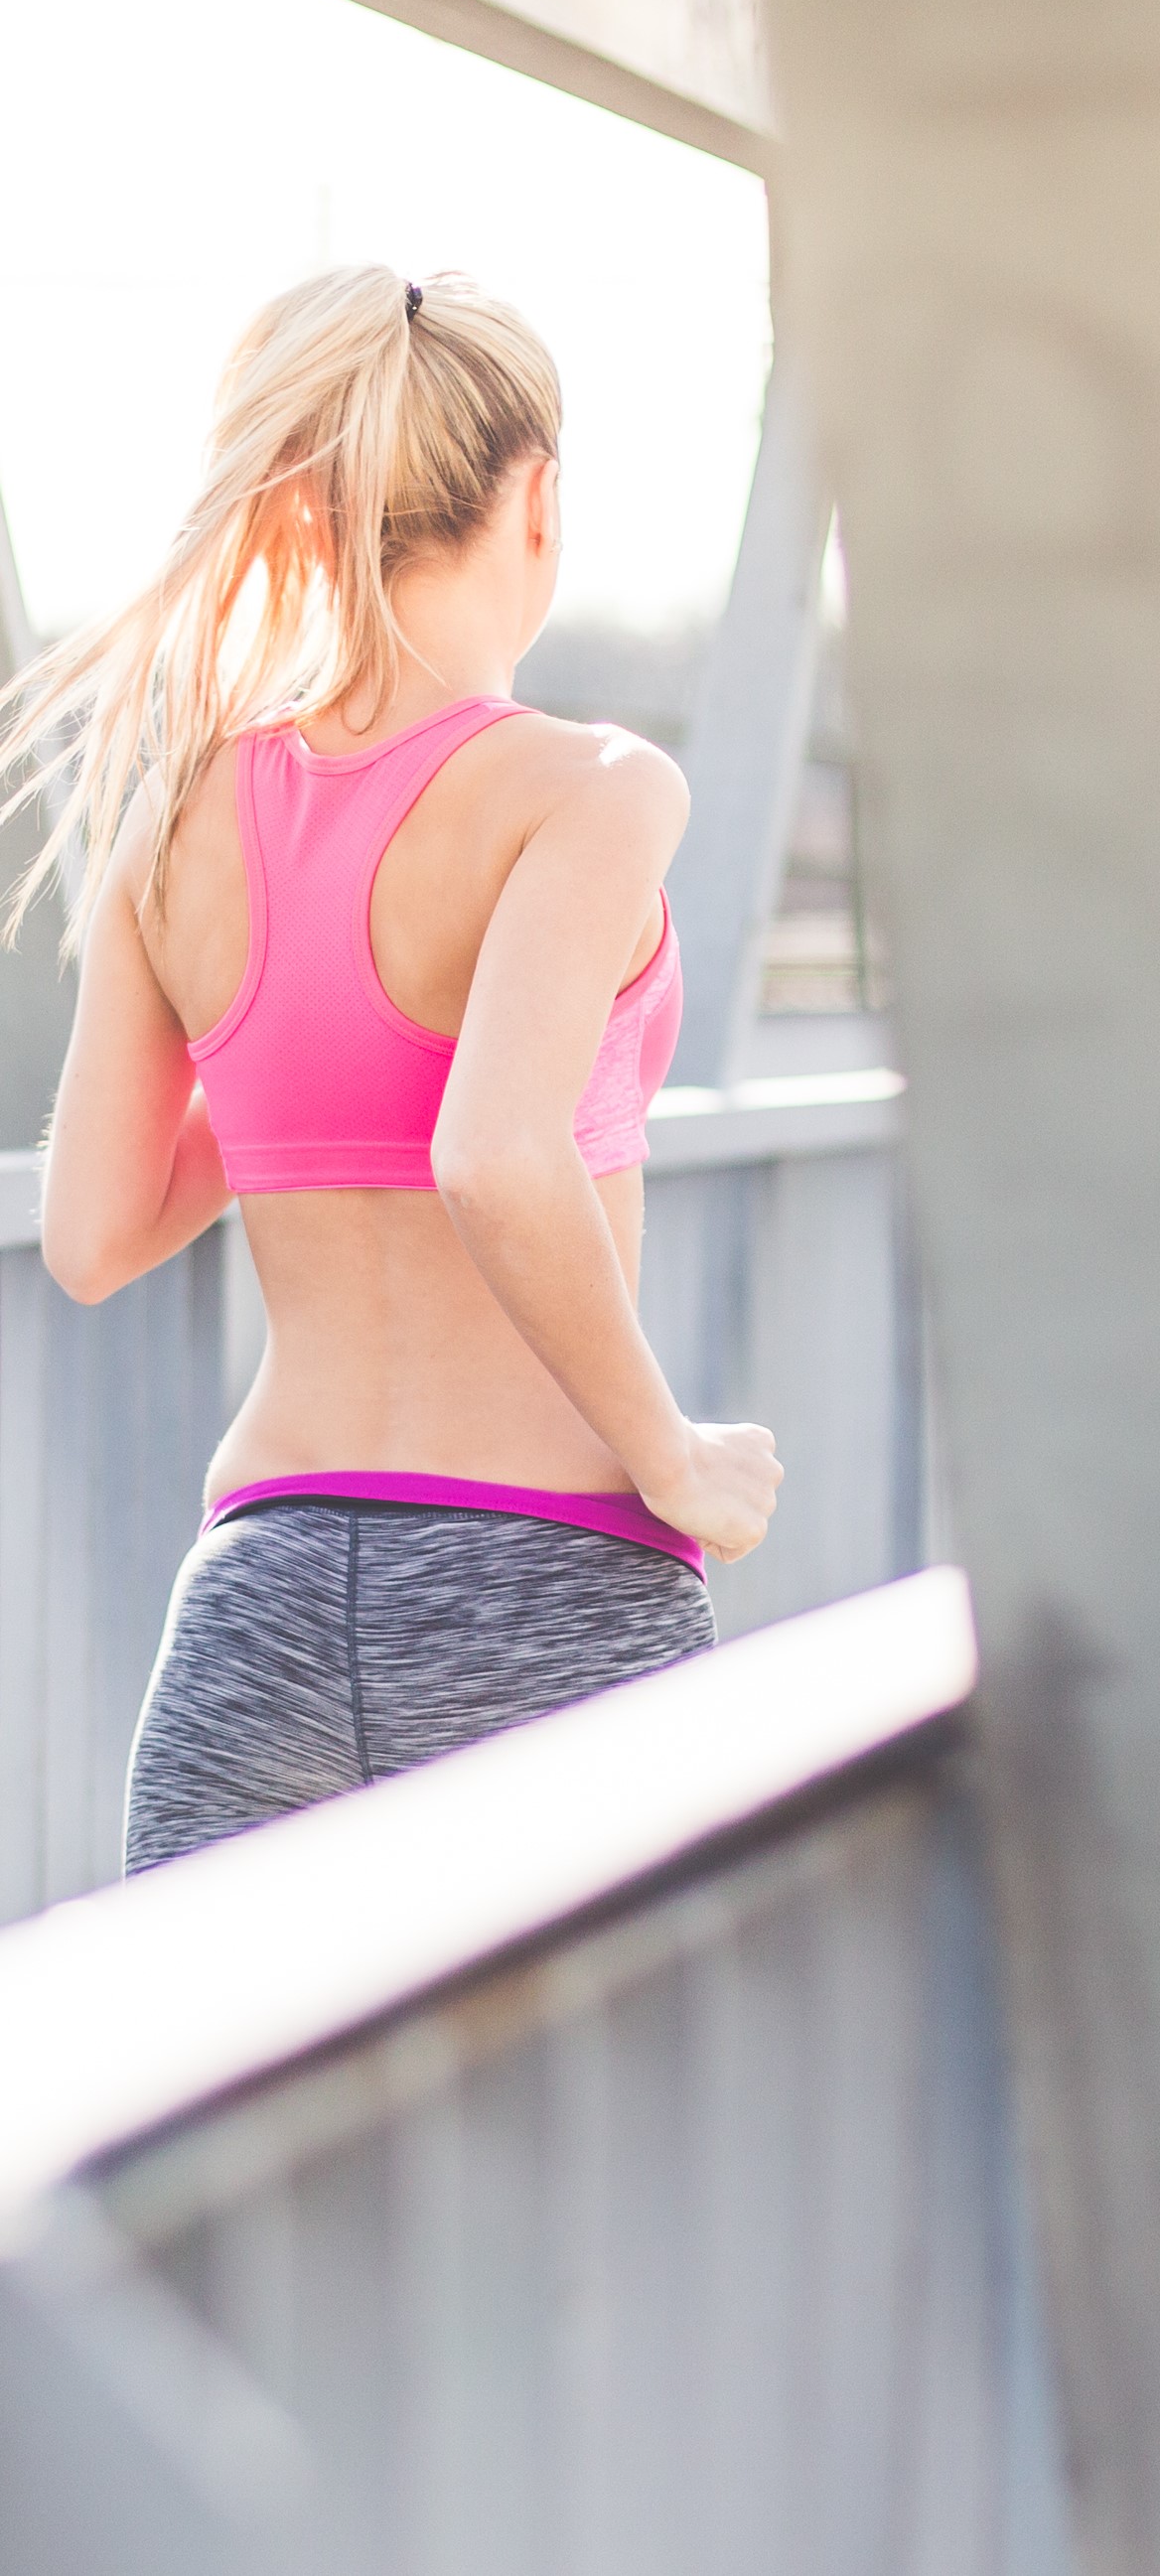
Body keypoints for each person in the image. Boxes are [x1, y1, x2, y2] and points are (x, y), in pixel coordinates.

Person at [0, 266, 782, 1874]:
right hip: (545, 1582)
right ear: (539, 499)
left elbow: (92, 1240)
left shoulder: (176, 814)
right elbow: (495, 1153)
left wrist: (286, 1037)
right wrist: (673, 1457)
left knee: (220, 2123)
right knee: (621, 2122)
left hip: (256, 1606)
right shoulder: (592, 791)